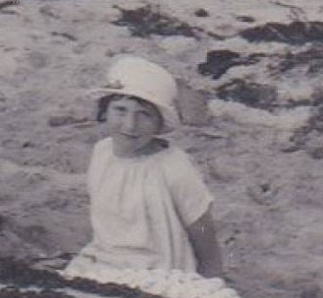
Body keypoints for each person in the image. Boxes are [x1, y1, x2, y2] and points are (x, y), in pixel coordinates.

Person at [69, 56, 224, 278]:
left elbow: (203, 233)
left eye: (144, 114)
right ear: (105, 111)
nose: (130, 125)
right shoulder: (102, 153)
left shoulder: (173, 167)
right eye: (120, 110)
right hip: (105, 262)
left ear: (159, 123)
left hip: (158, 273)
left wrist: (213, 282)